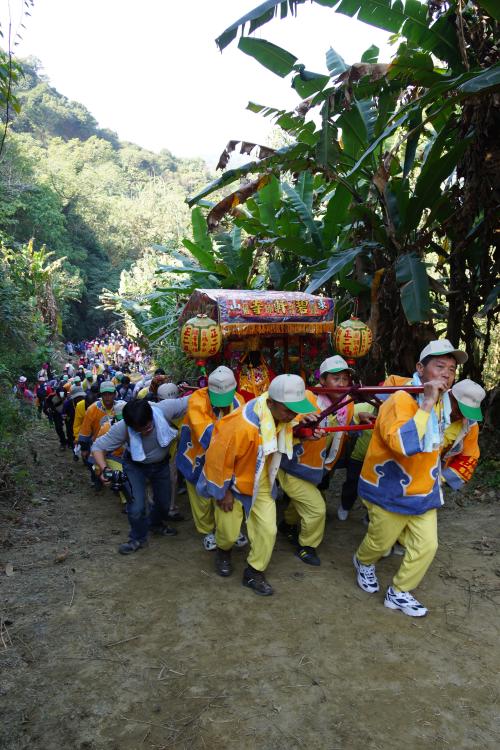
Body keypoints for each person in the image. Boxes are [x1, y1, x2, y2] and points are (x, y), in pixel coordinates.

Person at [352, 339, 467, 618]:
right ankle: (363, 562)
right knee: (379, 543)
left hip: (422, 489)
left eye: (451, 369)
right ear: (420, 368)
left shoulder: (441, 402)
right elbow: (402, 445)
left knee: (428, 545)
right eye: (439, 366)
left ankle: (400, 591)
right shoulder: (401, 399)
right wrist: (426, 402)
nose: (446, 374)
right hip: (389, 488)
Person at [197, 374, 321, 595]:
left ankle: (254, 571)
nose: (293, 414)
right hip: (233, 482)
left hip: (261, 478)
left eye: (296, 409)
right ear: (271, 402)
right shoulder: (239, 425)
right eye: (288, 410)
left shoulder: (280, 415)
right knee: (228, 531)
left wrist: (304, 435)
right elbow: (216, 460)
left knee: (268, 529)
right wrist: (222, 492)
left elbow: (280, 438)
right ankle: (223, 552)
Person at [92, 396, 189, 554]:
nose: (146, 430)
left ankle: (156, 524)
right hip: (134, 467)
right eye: (140, 429)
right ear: (130, 425)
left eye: (148, 425)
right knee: (136, 507)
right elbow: (97, 447)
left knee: (165, 504)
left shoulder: (164, 409)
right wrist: (103, 469)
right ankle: (137, 538)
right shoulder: (122, 427)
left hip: (161, 465)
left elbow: (193, 399)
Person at [176, 366, 246, 553]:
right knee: (201, 498)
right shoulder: (198, 400)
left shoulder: (240, 401)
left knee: (226, 494)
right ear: (208, 389)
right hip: (197, 455)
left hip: (226, 457)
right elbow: (208, 435)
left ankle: (227, 529)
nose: (222, 404)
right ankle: (206, 530)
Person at [78, 381, 117, 463]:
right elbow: (85, 430)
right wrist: (84, 448)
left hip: (116, 449)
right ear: (101, 395)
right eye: (104, 394)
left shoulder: (120, 408)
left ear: (114, 394)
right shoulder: (92, 409)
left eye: (110, 394)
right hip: (98, 447)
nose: (107, 397)